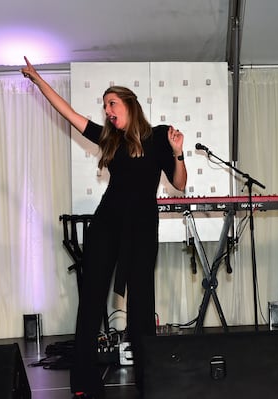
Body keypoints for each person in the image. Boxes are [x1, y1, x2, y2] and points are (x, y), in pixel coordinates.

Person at [21, 57, 187, 399]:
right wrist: (38, 81)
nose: (107, 110)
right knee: (92, 299)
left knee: (142, 306)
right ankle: (84, 382)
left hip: (141, 230)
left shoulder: (158, 137)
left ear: (129, 104)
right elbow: (68, 113)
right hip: (107, 226)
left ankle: (148, 379)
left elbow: (180, 184)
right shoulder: (109, 140)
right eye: (104, 106)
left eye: (112, 103)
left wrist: (178, 153)